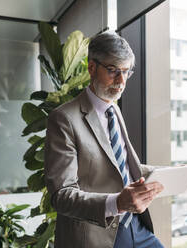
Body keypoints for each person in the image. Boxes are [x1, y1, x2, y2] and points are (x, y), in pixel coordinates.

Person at [44, 31, 164, 248]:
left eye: (126, 72)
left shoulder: (113, 110)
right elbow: (61, 195)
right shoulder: (63, 119)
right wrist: (116, 202)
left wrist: (169, 173)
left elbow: (119, 165)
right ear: (91, 68)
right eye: (113, 71)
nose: (121, 81)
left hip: (135, 226)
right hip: (96, 234)